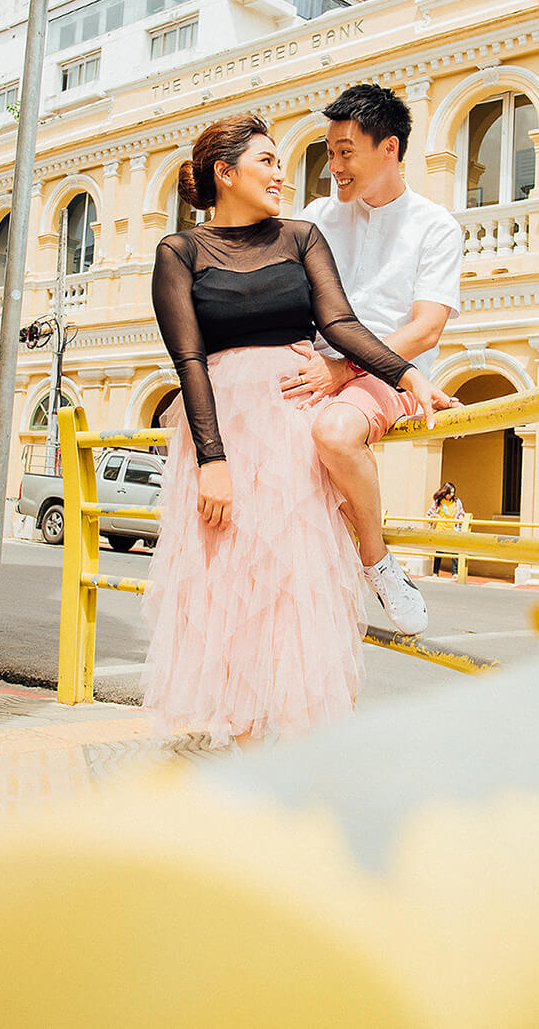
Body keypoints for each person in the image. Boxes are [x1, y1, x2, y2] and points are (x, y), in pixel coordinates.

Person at [146, 112, 456, 747]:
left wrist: (404, 376)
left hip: (291, 415)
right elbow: (188, 360)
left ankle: (288, 740)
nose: (281, 174)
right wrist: (212, 458)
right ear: (224, 173)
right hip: (224, 424)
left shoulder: (302, 235)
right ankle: (233, 720)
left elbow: (339, 324)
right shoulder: (178, 252)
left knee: (290, 574)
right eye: (266, 162)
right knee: (224, 573)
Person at [282, 82, 464, 635]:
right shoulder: (318, 214)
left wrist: (344, 368)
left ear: (390, 149)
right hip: (312, 363)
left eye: (346, 153)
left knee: (335, 435)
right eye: (329, 152)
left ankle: (379, 565)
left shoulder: (436, 226)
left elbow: (426, 328)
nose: (333, 166)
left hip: (385, 370)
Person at [429, 481, 465, 575]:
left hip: (453, 529)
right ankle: (435, 572)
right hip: (440, 529)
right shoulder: (438, 502)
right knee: (439, 551)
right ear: (445, 492)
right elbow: (430, 514)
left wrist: (461, 517)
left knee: (454, 551)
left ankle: (455, 573)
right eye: (450, 492)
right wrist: (435, 517)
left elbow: (462, 512)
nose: (451, 495)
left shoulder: (457, 502)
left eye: (453, 492)